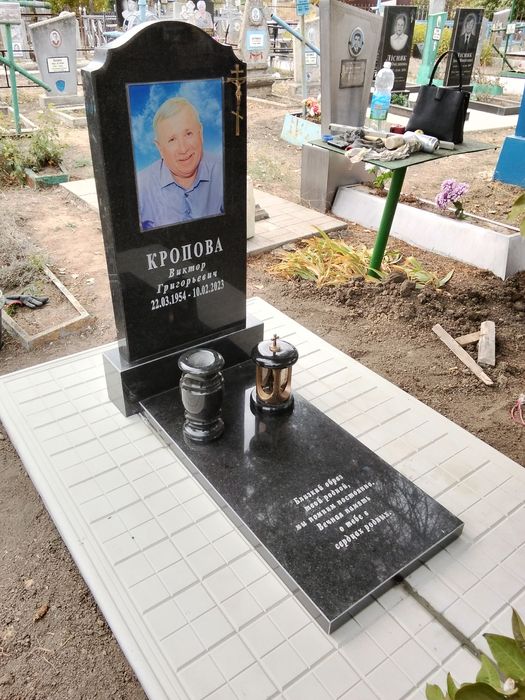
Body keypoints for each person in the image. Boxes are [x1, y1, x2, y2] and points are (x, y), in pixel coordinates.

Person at [137, 97, 223, 230]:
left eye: (188, 134)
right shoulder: (140, 186)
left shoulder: (222, 170)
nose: (183, 149)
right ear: (160, 148)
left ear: (200, 134)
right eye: (172, 140)